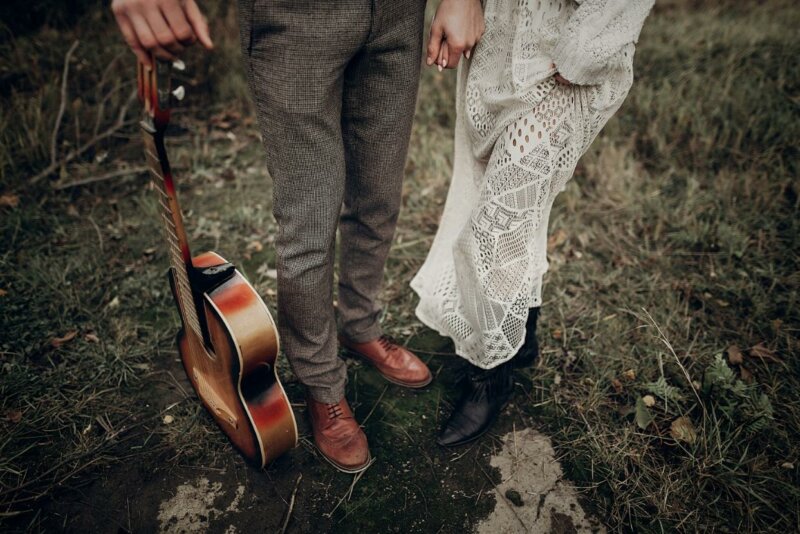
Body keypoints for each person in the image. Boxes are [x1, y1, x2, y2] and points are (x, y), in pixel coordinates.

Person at [110, 0, 444, 474]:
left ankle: (360, 327)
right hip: (297, 19)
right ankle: (323, 386)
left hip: (399, 14)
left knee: (378, 200)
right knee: (310, 223)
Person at [414, 0, 654, 446]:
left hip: (568, 56)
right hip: (500, 45)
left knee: (496, 226)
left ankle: (491, 374)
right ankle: (522, 336)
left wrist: (583, 51)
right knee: (508, 204)